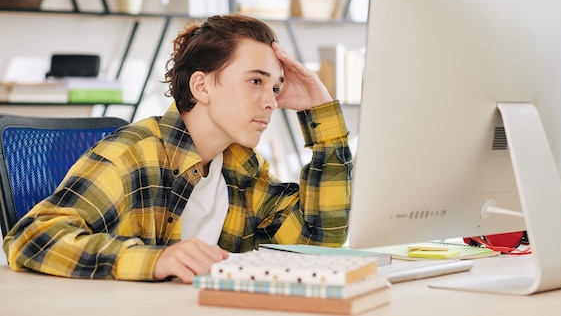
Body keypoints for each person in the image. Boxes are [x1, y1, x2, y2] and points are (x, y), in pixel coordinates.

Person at [3, 14, 352, 283]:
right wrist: (154, 260)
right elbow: (31, 238)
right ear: (201, 86)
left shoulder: (241, 168)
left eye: (275, 88)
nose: (270, 102)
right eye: (256, 81)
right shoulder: (134, 153)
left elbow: (318, 240)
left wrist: (321, 117)